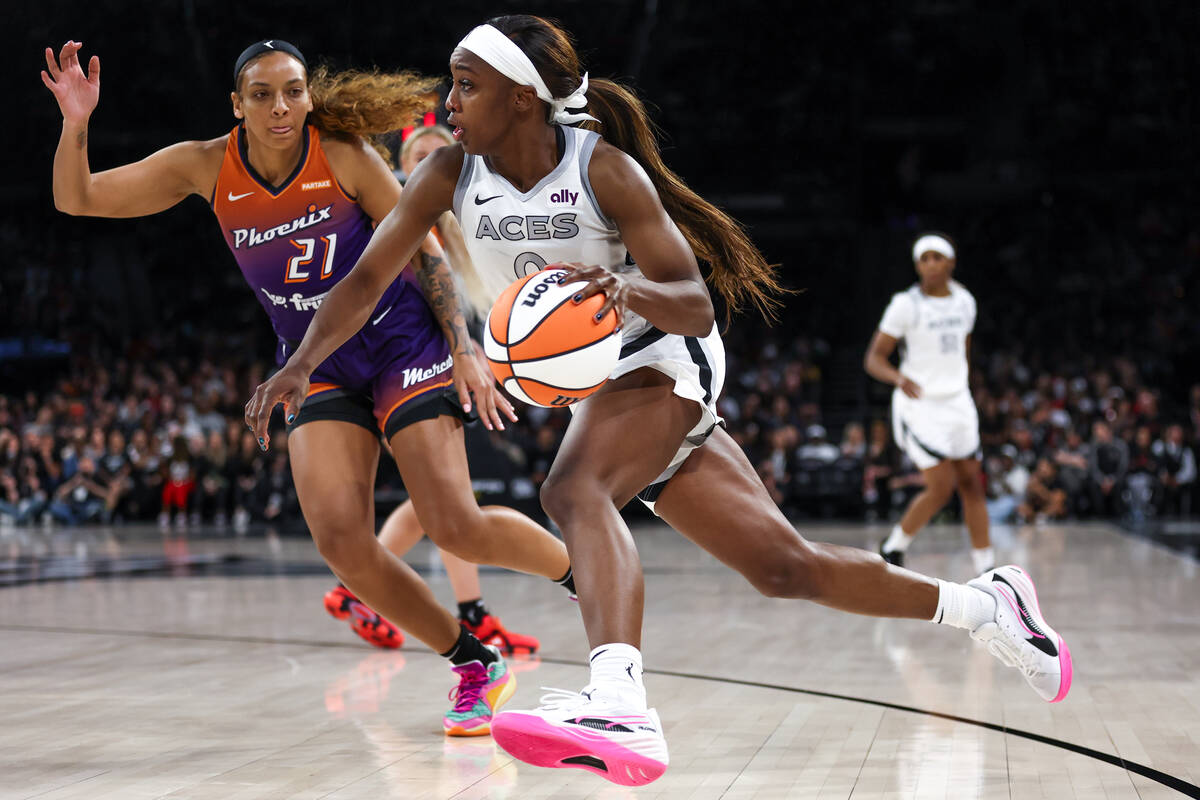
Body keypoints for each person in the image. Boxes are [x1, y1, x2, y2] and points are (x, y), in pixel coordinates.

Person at [245, 16, 1071, 786]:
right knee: (786, 568)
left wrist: (626, 288)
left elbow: (695, 301)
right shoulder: (448, 173)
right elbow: (364, 279)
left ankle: (623, 706)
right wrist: (302, 362)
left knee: (572, 489)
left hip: (665, 356)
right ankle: (986, 605)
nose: (448, 102)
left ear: (522, 96)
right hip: (599, 387)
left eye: (466, 85)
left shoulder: (603, 168)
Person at [42, 37, 574, 736]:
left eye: (293, 90)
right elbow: (76, 198)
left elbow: (424, 245)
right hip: (314, 360)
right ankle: (475, 663)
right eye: (261, 94)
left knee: (453, 524)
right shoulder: (206, 166)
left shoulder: (345, 156)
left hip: (401, 343)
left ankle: (579, 571)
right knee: (342, 545)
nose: (280, 106)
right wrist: (76, 121)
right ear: (237, 105)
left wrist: (463, 346)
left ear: (308, 96)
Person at [325, 122, 540, 656]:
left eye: (439, 154)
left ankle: (466, 611)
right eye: (418, 155)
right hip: (395, 369)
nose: (428, 163)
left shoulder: (463, 221)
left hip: (442, 365)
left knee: (443, 504)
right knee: (445, 502)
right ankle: (362, 591)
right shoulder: (394, 210)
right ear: (399, 165)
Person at [864, 234, 995, 576]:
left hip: (957, 402)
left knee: (972, 483)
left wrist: (963, 384)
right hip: (920, 403)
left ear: (951, 263)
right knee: (941, 487)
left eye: (938, 257)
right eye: (924, 258)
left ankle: (987, 568)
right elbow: (874, 359)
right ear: (917, 265)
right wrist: (898, 379)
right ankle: (894, 545)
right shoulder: (906, 304)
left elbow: (962, 353)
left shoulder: (965, 301)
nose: (931, 264)